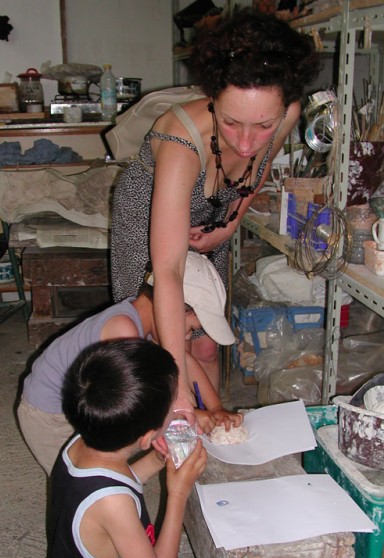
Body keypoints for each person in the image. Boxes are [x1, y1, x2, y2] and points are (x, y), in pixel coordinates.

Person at [110, 8, 319, 418]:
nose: (246, 142)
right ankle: (171, 420)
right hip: (147, 214)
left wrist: (232, 223)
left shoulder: (289, 111)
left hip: (214, 214)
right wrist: (175, 386)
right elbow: (169, 272)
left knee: (206, 342)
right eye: (231, 122)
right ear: (213, 100)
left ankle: (213, 424)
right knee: (155, 345)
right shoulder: (181, 142)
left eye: (263, 126)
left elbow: (257, 169)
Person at [47, 338, 226, 558]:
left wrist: (156, 459)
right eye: (172, 407)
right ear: (145, 437)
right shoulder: (113, 502)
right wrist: (177, 493)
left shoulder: (82, 443)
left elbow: (116, 480)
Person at [18, 251, 243, 475]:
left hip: (87, 405)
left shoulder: (145, 320)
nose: (187, 338)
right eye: (191, 329)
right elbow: (135, 398)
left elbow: (184, 360)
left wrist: (216, 408)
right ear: (172, 309)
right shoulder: (123, 329)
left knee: (104, 473)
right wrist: (186, 413)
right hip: (51, 415)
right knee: (77, 481)